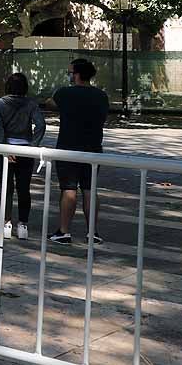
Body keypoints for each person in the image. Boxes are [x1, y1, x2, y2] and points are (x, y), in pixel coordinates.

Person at [46, 58, 110, 246]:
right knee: (90, 190)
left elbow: (50, 103)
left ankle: (64, 231)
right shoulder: (101, 95)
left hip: (68, 147)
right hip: (93, 148)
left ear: (76, 74)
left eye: (70, 72)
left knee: (69, 189)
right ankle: (92, 232)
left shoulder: (65, 93)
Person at [0, 73, 46, 240]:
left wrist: (4, 149)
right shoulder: (31, 104)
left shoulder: (0, 103)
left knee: (6, 188)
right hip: (25, 149)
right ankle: (23, 225)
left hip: (5, 149)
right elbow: (41, 125)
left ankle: (6, 223)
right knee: (24, 188)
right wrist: (33, 145)